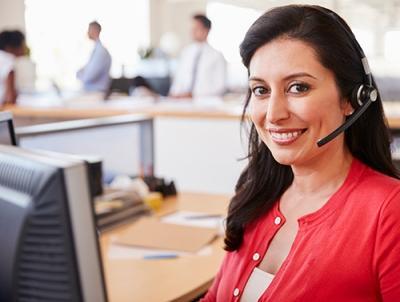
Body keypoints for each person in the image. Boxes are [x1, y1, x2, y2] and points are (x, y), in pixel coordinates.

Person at [201, 4, 400, 301]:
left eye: (298, 87)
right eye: (260, 90)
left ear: (350, 99)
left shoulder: (388, 212)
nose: (274, 114)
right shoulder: (258, 195)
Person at [168, 14, 226, 98]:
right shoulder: (185, 52)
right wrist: (173, 93)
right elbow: (179, 79)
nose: (192, 31)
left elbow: (220, 87)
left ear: (206, 30)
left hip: (206, 104)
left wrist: (193, 94)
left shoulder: (217, 56)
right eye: (192, 28)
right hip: (182, 103)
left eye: (196, 28)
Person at [77, 21, 112, 93]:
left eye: (89, 29)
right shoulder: (96, 50)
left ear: (95, 30)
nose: (87, 32)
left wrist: (80, 75)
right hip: (93, 92)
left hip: (96, 93)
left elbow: (90, 75)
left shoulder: (101, 52)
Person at [0, 30, 26, 106]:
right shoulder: (8, 61)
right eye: (22, 44)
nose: (24, 48)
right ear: (10, 47)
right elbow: (10, 98)